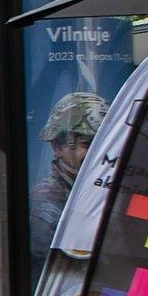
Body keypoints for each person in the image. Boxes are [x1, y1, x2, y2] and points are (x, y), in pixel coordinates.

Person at [29, 91, 105, 272]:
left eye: (103, 143)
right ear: (58, 146)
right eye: (87, 144)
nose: (99, 153)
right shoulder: (46, 202)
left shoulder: (95, 189)